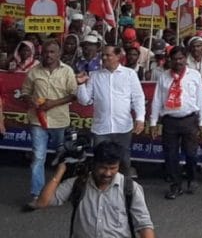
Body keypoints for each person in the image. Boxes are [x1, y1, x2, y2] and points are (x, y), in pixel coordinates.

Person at [35, 141, 155, 237]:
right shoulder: (77, 184)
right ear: (94, 164)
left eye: (113, 168)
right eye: (103, 168)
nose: (107, 173)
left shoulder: (130, 188)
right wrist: (60, 171)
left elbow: (144, 225)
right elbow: (42, 202)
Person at [20, 40, 77, 208]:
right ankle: (37, 195)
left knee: (63, 157)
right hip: (38, 121)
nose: (49, 55)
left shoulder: (67, 71)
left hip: (60, 120)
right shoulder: (33, 72)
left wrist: (54, 103)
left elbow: (73, 95)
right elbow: (24, 92)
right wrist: (30, 100)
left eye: (52, 52)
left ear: (59, 53)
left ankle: (63, 191)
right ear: (41, 53)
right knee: (38, 157)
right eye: (46, 52)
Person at [149, 46, 202, 200]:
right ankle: (176, 185)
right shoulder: (163, 77)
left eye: (181, 58)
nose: (178, 61)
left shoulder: (194, 75)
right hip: (170, 121)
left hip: (190, 120)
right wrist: (153, 122)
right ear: (170, 60)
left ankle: (192, 177)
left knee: (191, 153)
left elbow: (201, 99)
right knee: (170, 155)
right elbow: (157, 100)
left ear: (185, 59)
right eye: (175, 59)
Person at [76, 45, 145, 173]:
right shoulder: (94, 75)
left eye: (108, 55)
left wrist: (140, 118)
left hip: (123, 127)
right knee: (100, 163)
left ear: (118, 56)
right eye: (103, 55)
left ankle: (126, 190)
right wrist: (80, 85)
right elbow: (84, 101)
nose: (104, 58)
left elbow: (138, 98)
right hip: (101, 128)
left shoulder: (129, 74)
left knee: (123, 162)